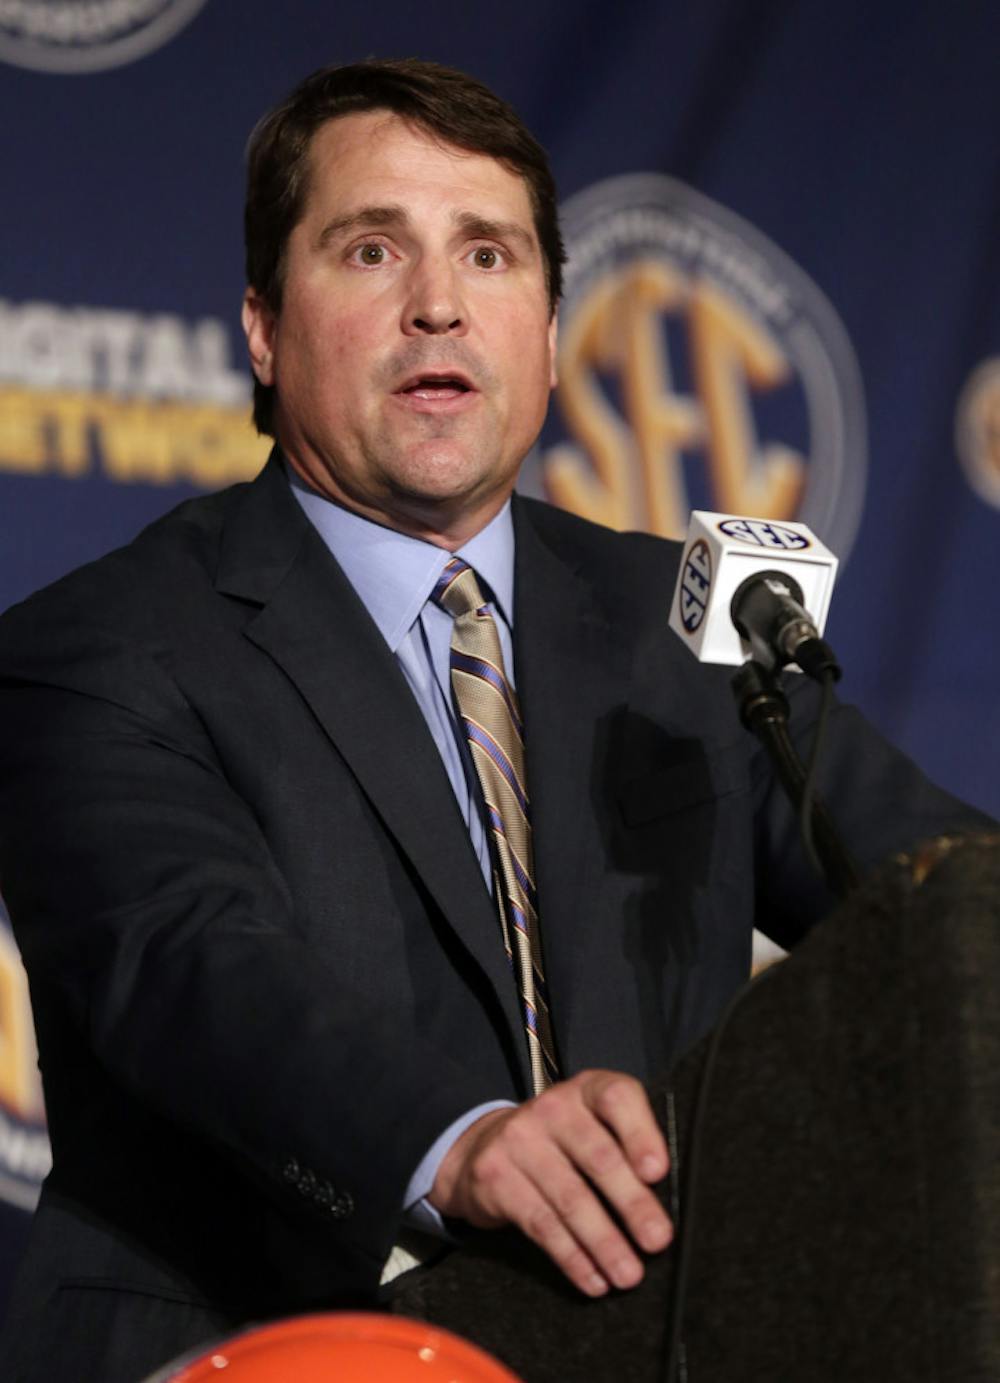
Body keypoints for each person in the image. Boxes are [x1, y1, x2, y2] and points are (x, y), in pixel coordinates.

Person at [0, 59, 987, 1383]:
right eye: (370, 250)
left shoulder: (675, 625)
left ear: (547, 323)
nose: (438, 306)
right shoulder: (100, 645)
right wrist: (456, 1140)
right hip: (256, 1346)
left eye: (489, 253)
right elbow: (195, 968)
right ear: (263, 329)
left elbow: (934, 897)